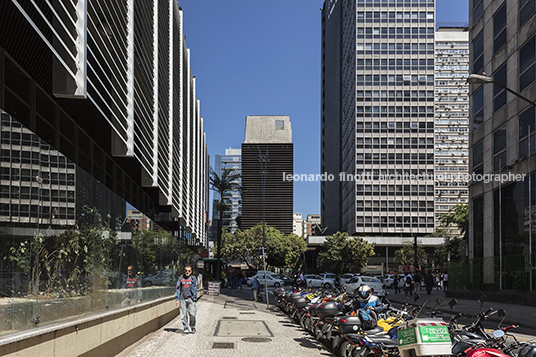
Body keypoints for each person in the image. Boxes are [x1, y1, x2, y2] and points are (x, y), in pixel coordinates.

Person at [175, 266, 198, 334]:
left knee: (192, 314)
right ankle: (186, 328)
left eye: (189, 271)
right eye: (186, 271)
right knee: (183, 315)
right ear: (184, 271)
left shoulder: (193, 278)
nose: (187, 272)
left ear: (191, 272)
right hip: (182, 299)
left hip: (191, 299)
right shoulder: (181, 278)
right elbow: (178, 288)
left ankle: (192, 326)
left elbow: (195, 288)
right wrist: (177, 298)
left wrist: (194, 298)